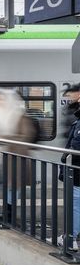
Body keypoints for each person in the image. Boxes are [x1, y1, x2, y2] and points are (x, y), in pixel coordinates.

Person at [0, 89, 36, 220]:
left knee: (13, 186)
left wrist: (4, 138)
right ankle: (6, 211)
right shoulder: (1, 115)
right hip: (7, 155)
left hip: (18, 157)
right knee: (9, 186)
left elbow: (26, 136)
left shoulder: (20, 116)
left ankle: (9, 214)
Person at [60, 83, 80, 250]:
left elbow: (75, 145)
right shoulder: (76, 117)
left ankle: (70, 238)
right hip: (74, 167)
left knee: (75, 203)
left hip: (77, 170)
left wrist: (67, 156)